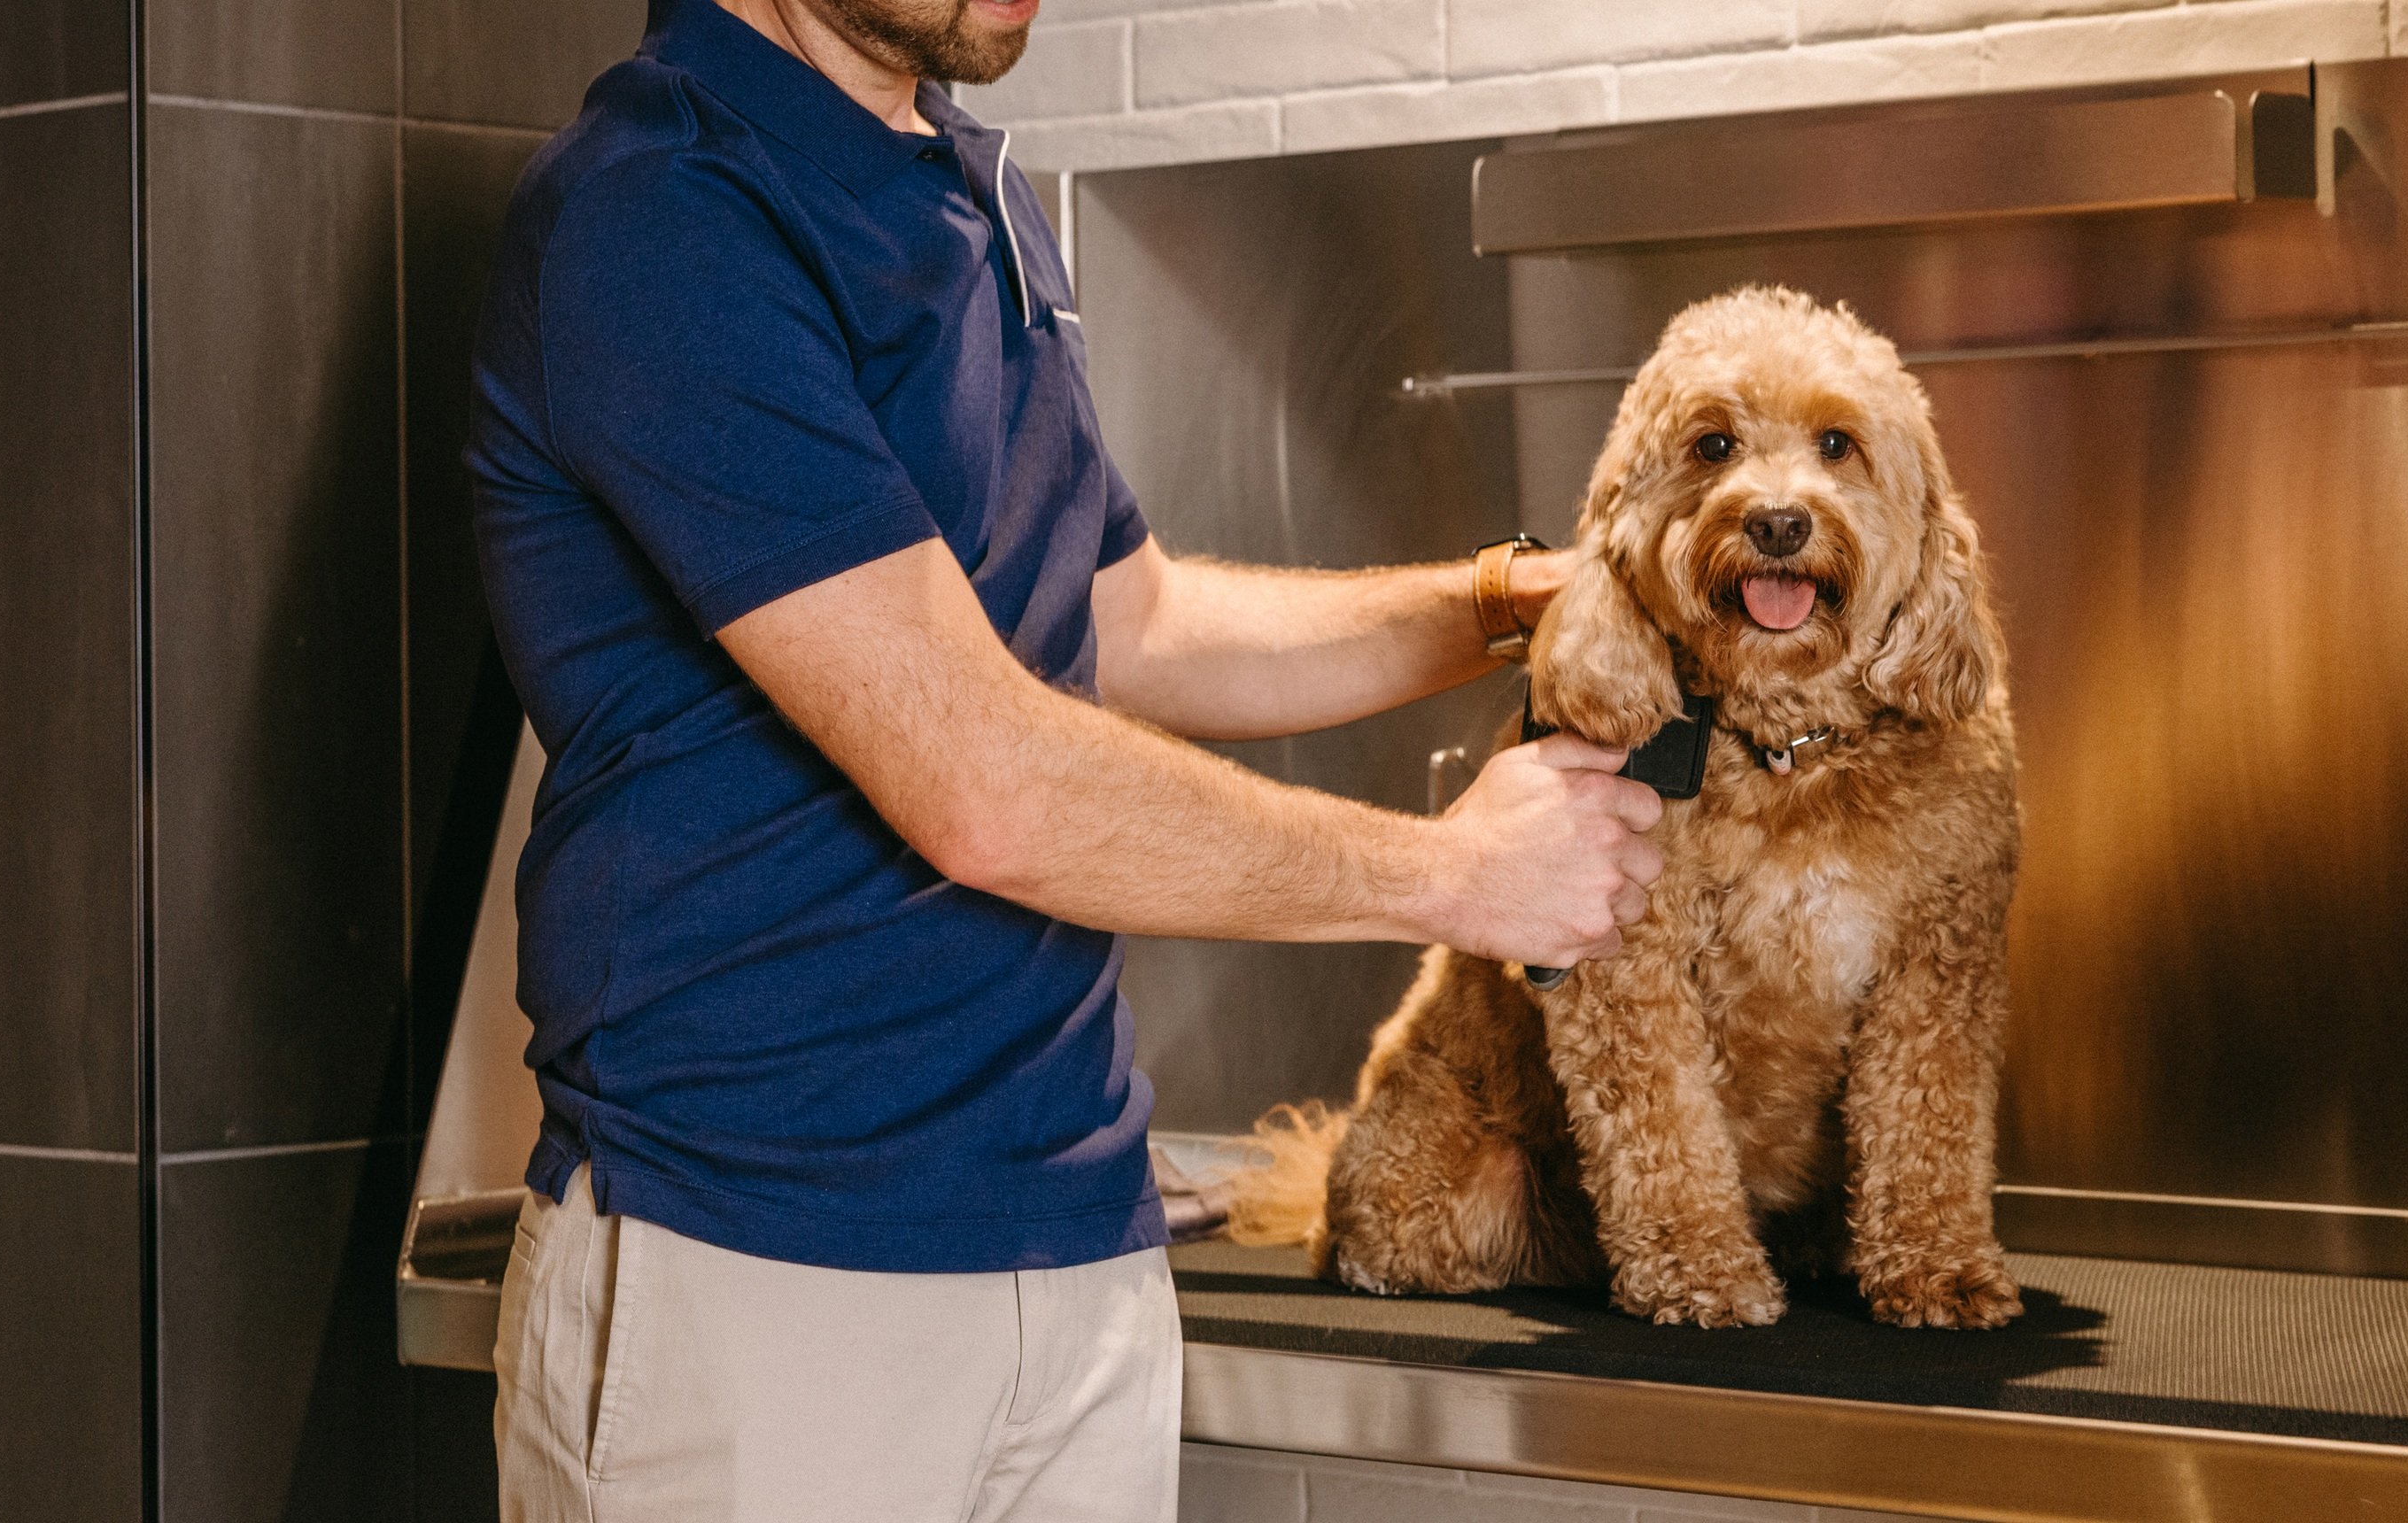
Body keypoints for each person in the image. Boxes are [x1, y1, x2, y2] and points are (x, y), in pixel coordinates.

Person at [467, 0, 1665, 1518]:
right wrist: (1460, 878)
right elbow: (986, 781)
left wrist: (1505, 605)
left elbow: (1133, 619)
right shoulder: (661, 216)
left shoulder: (966, 185)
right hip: (760, 1273)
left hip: (1075, 1248)